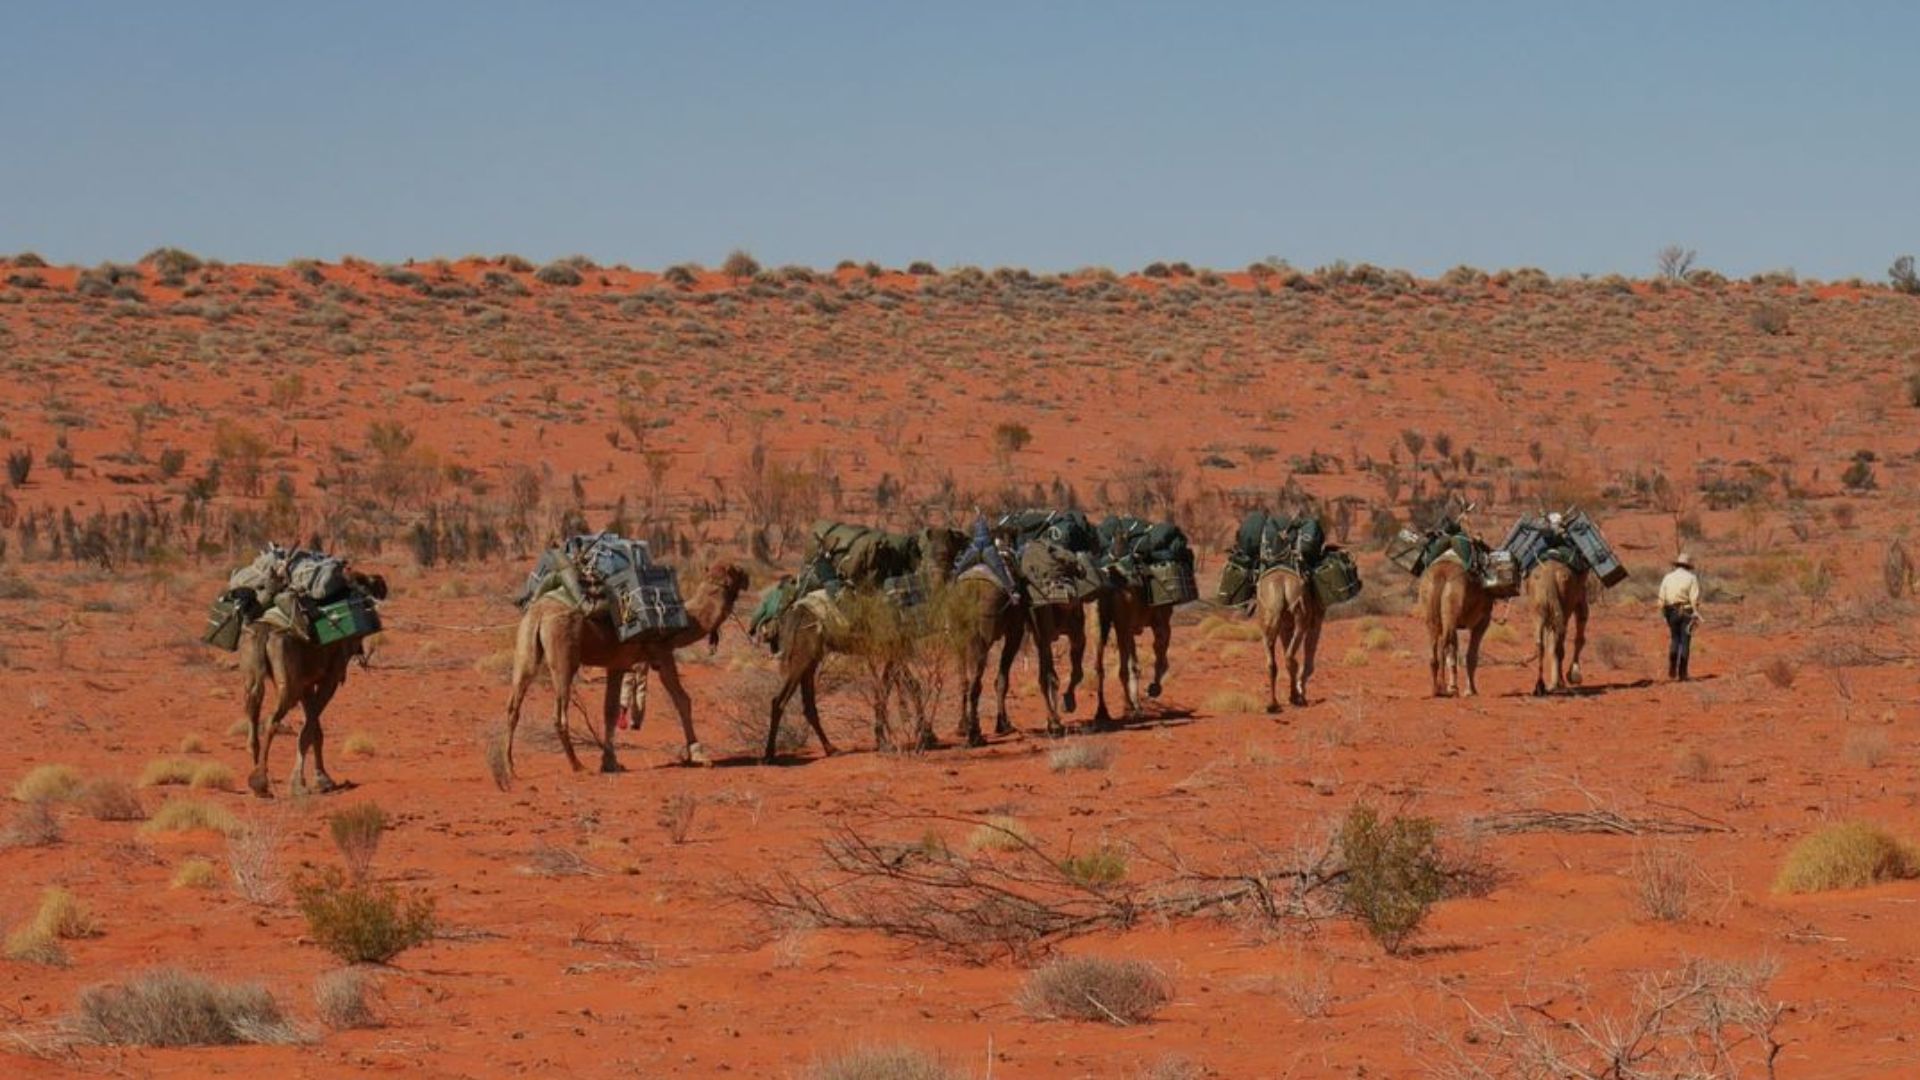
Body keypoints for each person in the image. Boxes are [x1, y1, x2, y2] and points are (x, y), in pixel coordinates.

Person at [953, 510, 1019, 599]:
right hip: (976, 548)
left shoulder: (991, 515)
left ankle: (1011, 591)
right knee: (958, 569)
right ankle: (1012, 592)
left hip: (984, 548)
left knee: (999, 568)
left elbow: (998, 527)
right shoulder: (970, 515)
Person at [1658, 552, 1702, 681]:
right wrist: (1695, 613)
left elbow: (1661, 599)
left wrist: (1664, 614)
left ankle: (1672, 669)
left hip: (1671, 611)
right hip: (1687, 611)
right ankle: (1682, 674)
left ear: (1677, 565)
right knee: (1685, 642)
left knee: (1675, 639)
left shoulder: (1667, 577)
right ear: (1688, 566)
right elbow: (1694, 598)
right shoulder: (1692, 578)